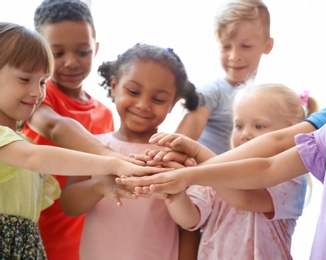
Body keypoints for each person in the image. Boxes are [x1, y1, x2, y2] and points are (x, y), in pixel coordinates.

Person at [117, 0, 326, 258]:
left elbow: (253, 186)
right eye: (237, 125)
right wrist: (179, 185)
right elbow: (193, 217)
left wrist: (194, 168)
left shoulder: (290, 184)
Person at [0, 22, 165, 260]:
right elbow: (36, 158)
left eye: (42, 81)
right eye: (25, 79)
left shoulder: (25, 142)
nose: (37, 92)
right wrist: (113, 163)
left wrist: (106, 180)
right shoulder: (23, 150)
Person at [136, 83, 318, 258]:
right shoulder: (215, 169)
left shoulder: (291, 179)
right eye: (239, 125)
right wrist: (175, 193)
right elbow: (190, 219)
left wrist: (198, 153)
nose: (245, 133)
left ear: (288, 133)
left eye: (259, 126)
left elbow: (244, 199)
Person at [60, 43, 200, 260]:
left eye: (158, 99)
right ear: (114, 86)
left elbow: (189, 228)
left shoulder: (174, 156)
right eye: (133, 91)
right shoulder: (93, 147)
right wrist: (100, 185)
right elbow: (69, 205)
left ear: (172, 103)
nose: (143, 105)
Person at [20, 1, 117, 259]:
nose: (71, 62)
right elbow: (53, 125)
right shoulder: (35, 95)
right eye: (57, 53)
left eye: (83, 51)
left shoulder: (105, 114)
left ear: (95, 48)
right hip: (32, 242)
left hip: (82, 245)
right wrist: (111, 156)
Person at [175, 0, 274, 155]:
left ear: (267, 46)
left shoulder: (264, 98)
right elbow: (177, 144)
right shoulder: (212, 92)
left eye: (246, 46)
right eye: (226, 47)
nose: (234, 56)